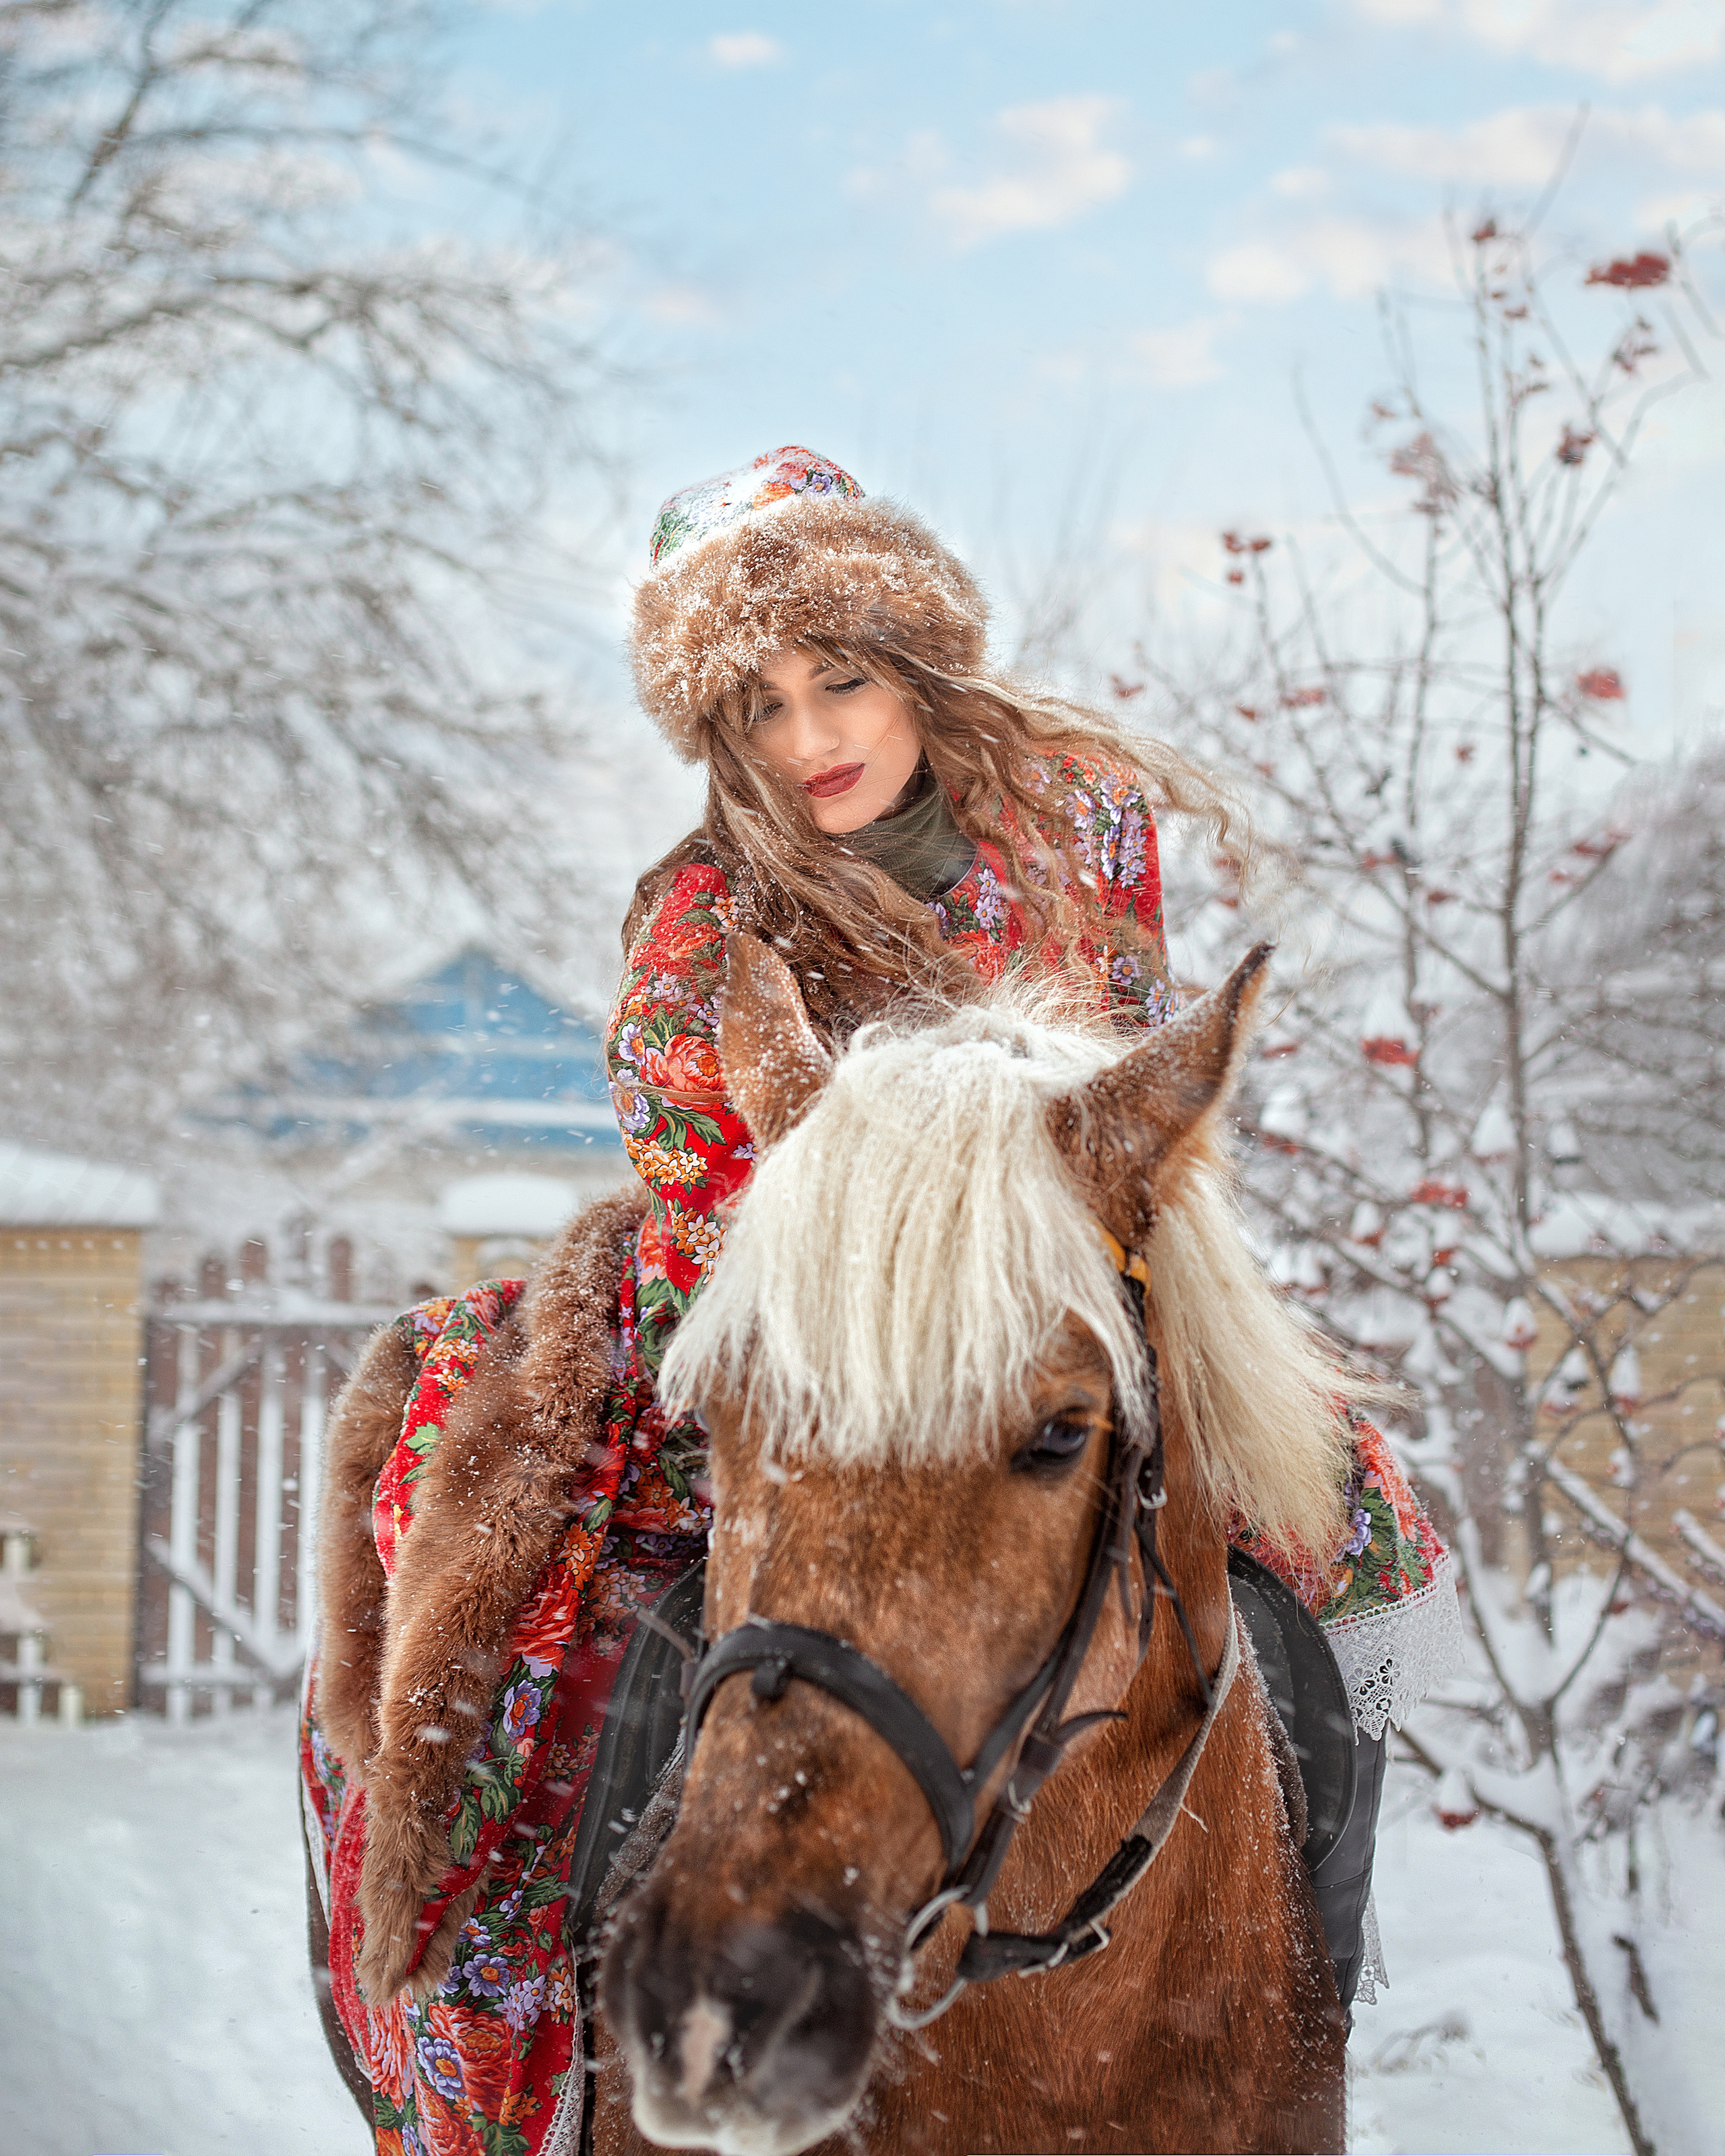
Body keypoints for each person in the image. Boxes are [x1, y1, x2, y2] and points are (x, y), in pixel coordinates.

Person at [301, 446, 1464, 2156]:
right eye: (756, 706)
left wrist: (1072, 1264)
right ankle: (522, 2045)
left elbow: (1120, 1092)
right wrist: (873, 1294)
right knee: (574, 1655)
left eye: (839, 678)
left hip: (1051, 1296)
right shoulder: (701, 931)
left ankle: (1307, 1996)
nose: (810, 738)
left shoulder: (1074, 823)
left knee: (1341, 1566)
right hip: (797, 1326)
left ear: (910, 664)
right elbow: (720, 1230)